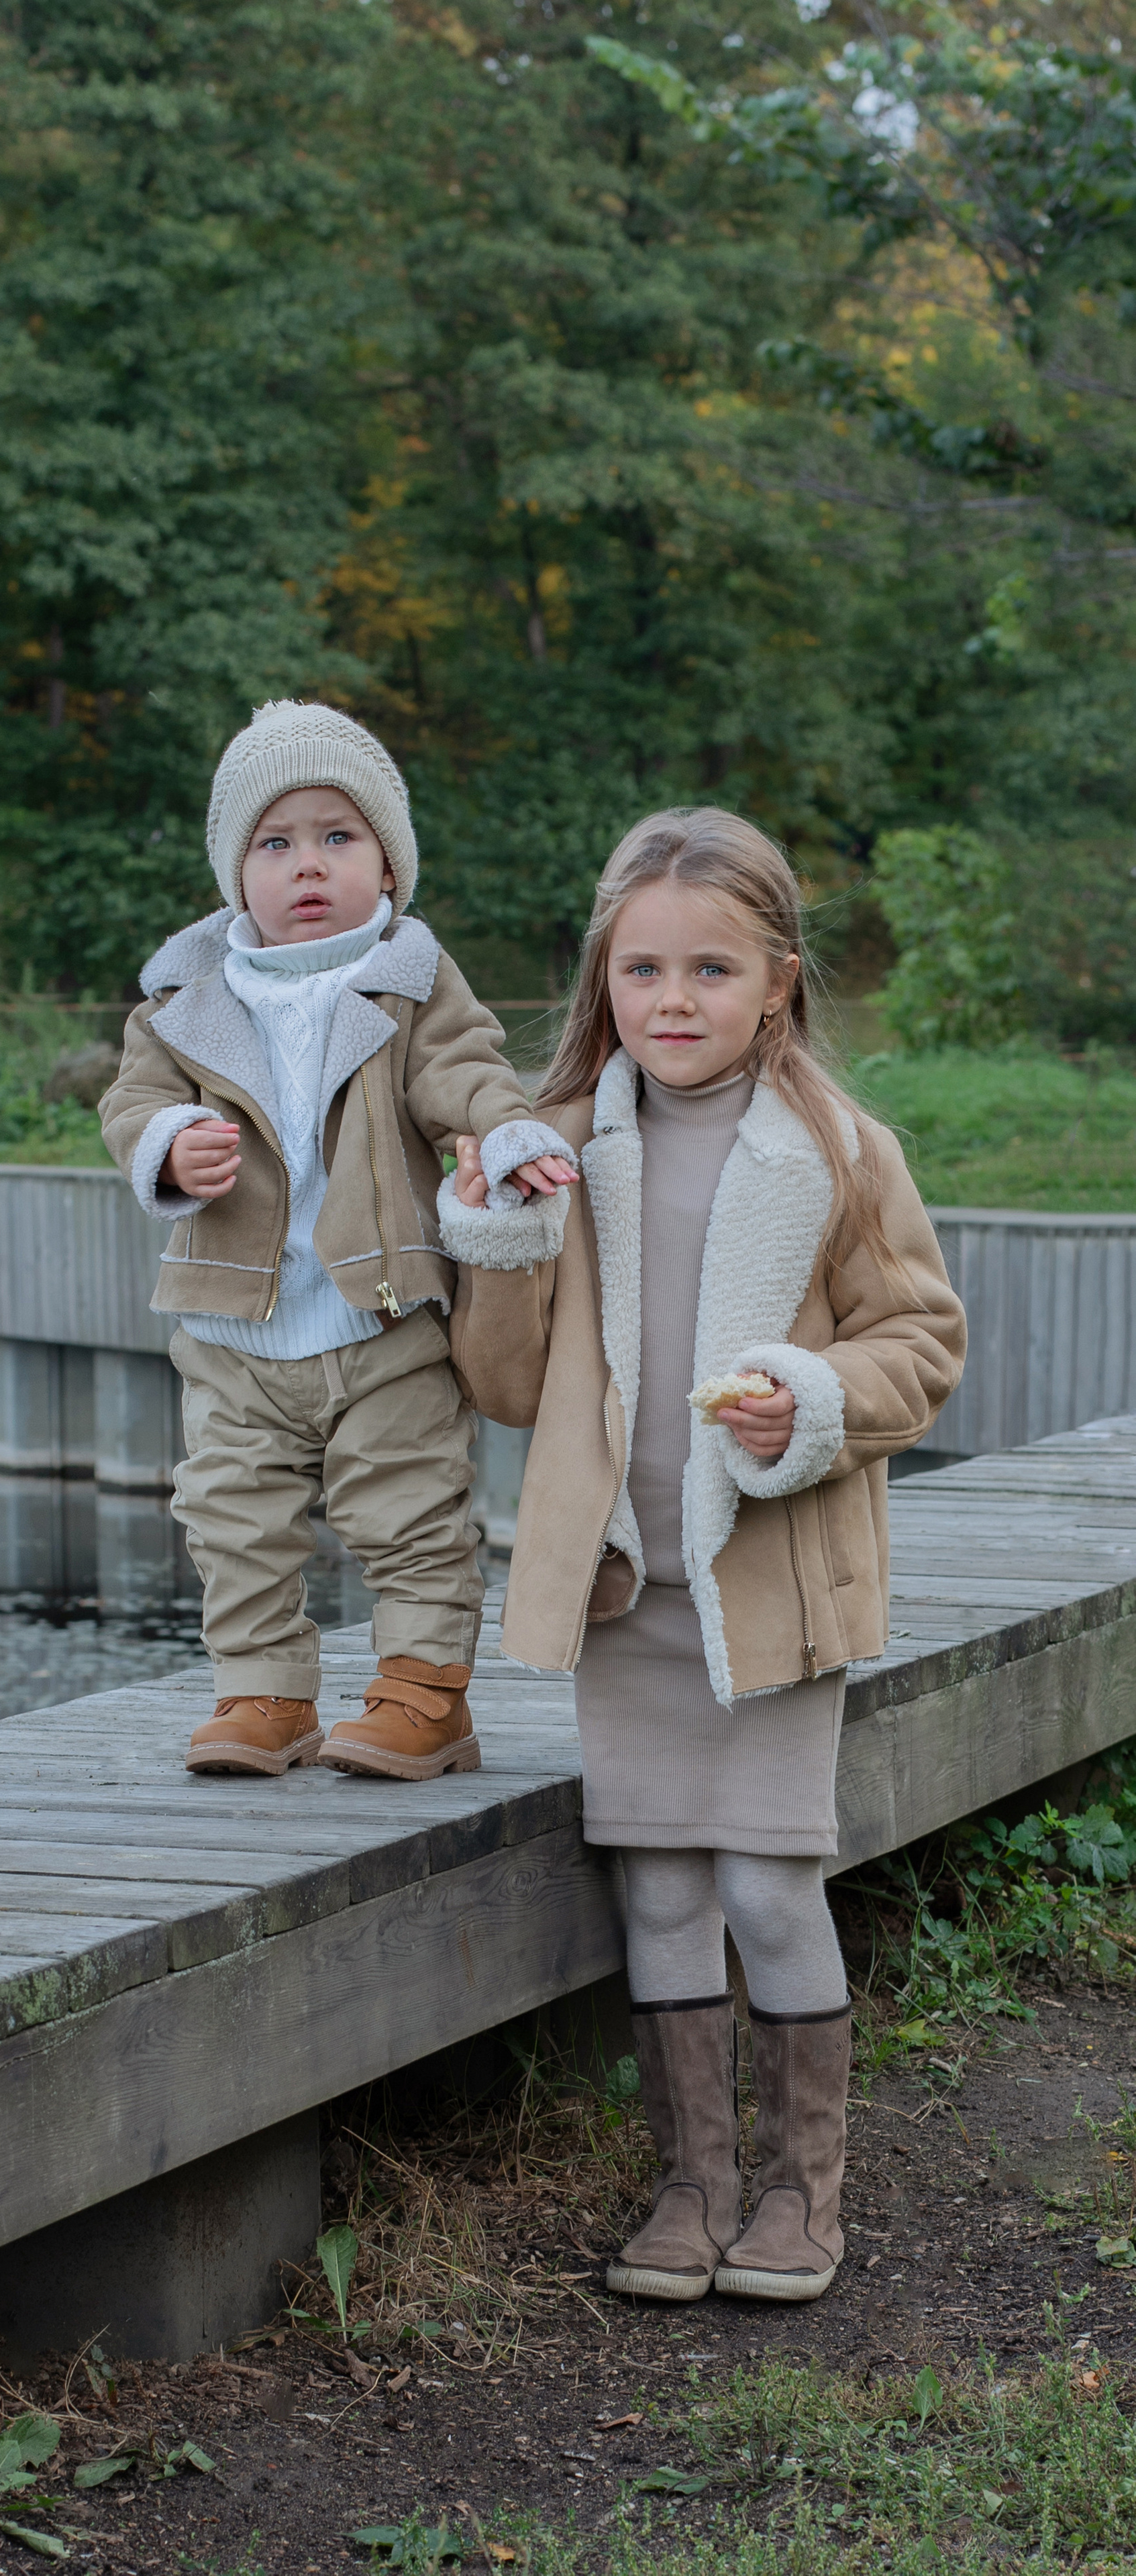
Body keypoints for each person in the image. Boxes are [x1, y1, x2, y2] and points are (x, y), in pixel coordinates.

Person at [442, 806, 966, 2304]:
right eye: (641, 970)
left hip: (767, 1594)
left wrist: (808, 1403)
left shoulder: (838, 1153)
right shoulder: (562, 1159)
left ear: (778, 981)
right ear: (602, 978)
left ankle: (805, 2195)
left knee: (762, 1889)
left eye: (710, 970)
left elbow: (919, 1342)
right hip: (627, 1599)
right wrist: (488, 1241)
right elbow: (500, 1384)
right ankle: (693, 2184)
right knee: (658, 1891)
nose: (671, 1002)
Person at [100, 698, 574, 1781]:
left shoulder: (409, 982)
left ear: (389, 868)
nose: (307, 866)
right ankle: (263, 1693)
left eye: (338, 838)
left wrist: (502, 1133)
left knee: (409, 1508)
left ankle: (422, 1692)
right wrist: (170, 1144)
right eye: (276, 843)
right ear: (237, 875)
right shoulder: (185, 996)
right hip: (233, 1323)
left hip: (382, 1311)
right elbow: (132, 1102)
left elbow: (466, 1070)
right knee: (232, 1517)